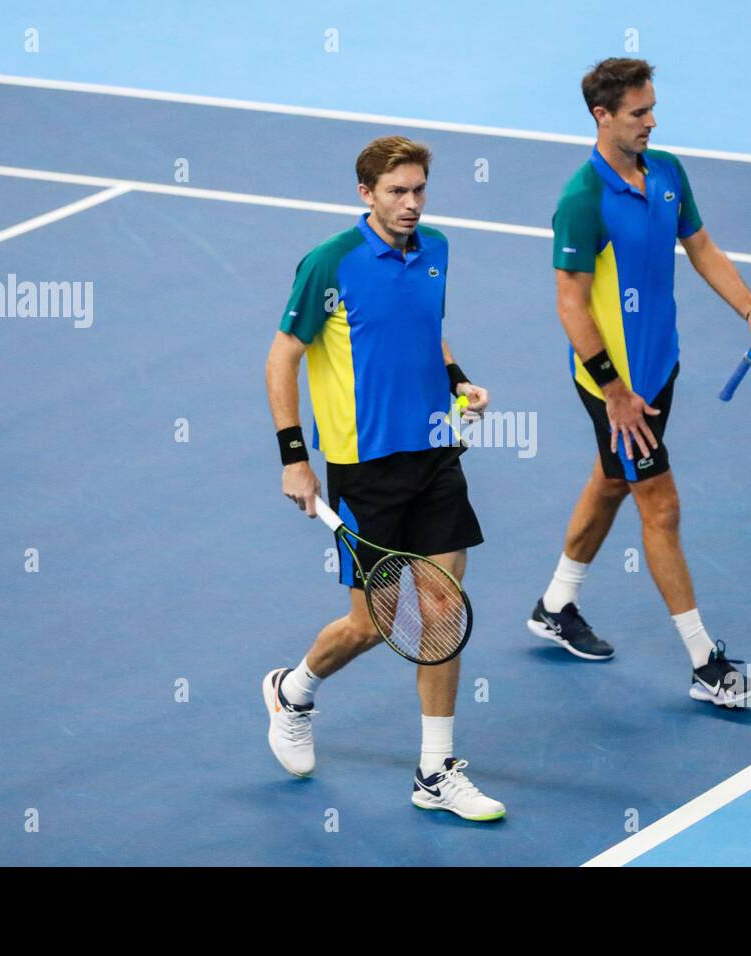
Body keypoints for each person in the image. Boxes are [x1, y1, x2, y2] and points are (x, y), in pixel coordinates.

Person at [264, 136, 505, 820]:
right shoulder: (329, 264)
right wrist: (293, 456)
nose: (411, 204)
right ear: (365, 193)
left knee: (440, 612)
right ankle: (293, 691)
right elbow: (282, 358)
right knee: (369, 626)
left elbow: (427, 330)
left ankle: (434, 772)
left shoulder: (437, 251)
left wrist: (459, 383)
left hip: (434, 453)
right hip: (364, 472)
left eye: (420, 189)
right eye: (397, 191)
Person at [530, 59, 751, 706]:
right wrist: (614, 391)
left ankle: (556, 604)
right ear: (601, 116)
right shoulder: (581, 201)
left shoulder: (666, 170)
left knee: (613, 479)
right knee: (660, 507)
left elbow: (701, 248)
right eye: (639, 113)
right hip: (616, 388)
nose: (652, 121)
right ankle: (705, 663)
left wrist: (750, 309)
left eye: (652, 108)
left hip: (659, 368)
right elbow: (570, 306)